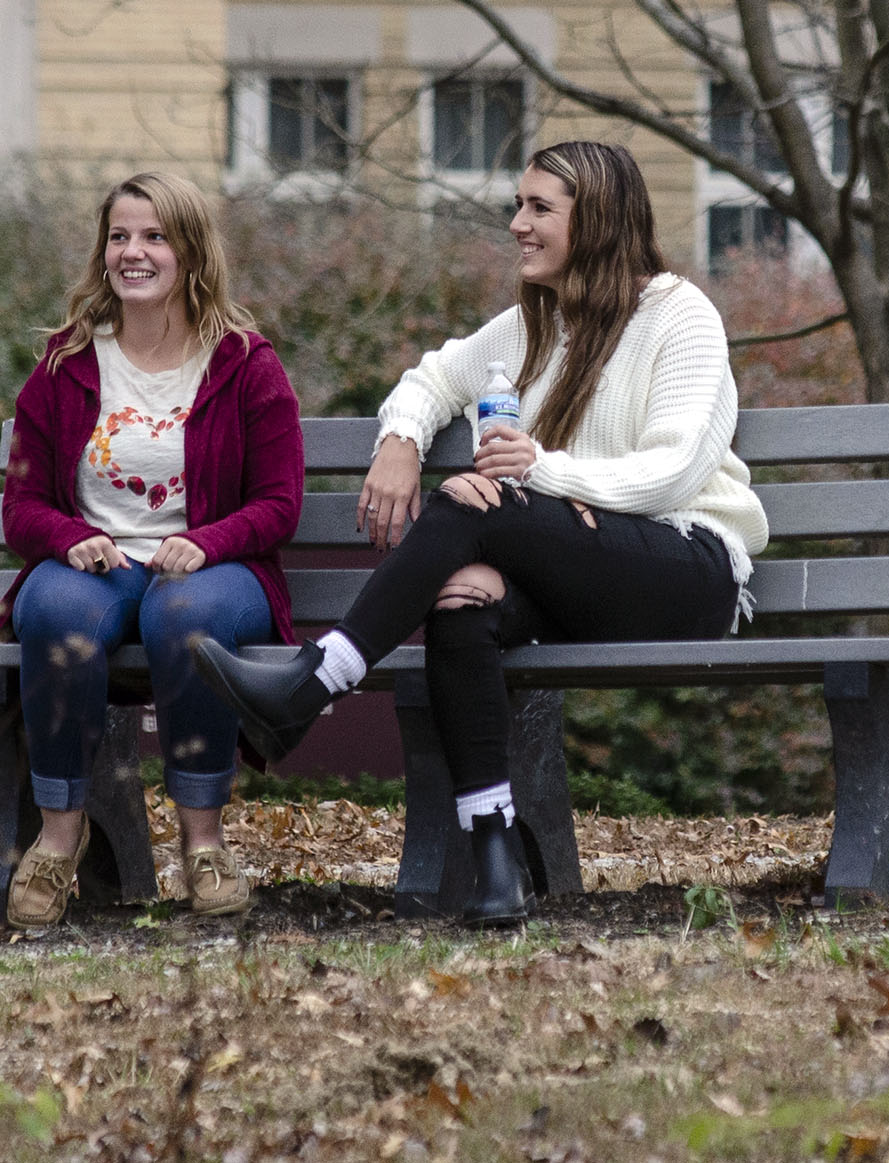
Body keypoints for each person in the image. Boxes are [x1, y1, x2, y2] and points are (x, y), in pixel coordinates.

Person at [195, 141, 768, 927]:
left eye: (539, 209)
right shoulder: (533, 325)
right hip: (578, 579)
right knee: (462, 601)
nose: (517, 224)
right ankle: (495, 860)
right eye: (519, 205)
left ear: (596, 220)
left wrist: (539, 473)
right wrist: (400, 440)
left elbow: (669, 471)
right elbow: (432, 379)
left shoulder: (678, 315)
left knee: (476, 498)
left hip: (684, 568)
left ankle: (315, 680)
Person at [0, 170, 303, 928]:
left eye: (154, 236)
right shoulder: (67, 366)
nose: (133, 252)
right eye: (120, 236)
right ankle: (60, 836)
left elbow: (280, 503)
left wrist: (207, 542)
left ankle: (204, 839)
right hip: (97, 568)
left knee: (184, 618)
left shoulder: (244, 364)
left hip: (214, 569)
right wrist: (71, 539)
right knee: (57, 614)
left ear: (190, 252)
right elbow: (25, 505)